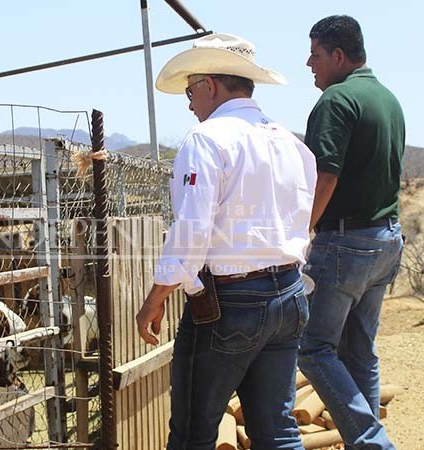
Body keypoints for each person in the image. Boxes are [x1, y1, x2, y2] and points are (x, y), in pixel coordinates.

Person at [135, 33, 317, 449]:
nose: (189, 101)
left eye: (190, 90)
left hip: (230, 302)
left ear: (210, 86)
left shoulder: (206, 139)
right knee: (277, 429)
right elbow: (301, 221)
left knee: (194, 432)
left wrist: (156, 297)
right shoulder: (290, 143)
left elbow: (192, 230)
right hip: (288, 293)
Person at [297, 15, 405, 450]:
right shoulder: (387, 99)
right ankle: (369, 442)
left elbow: (326, 176)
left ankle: (373, 443)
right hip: (385, 240)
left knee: (313, 348)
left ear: (338, 56)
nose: (309, 63)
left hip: (344, 243)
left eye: (316, 54)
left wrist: (302, 229)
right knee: (359, 351)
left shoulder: (336, 101)